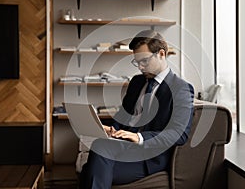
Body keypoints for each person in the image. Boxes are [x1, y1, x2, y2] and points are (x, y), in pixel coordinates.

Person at [79, 30, 194, 189]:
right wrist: (112, 130)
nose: (140, 67)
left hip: (148, 157)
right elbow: (122, 117)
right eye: (136, 62)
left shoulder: (181, 88)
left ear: (161, 54)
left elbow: (179, 133)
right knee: (97, 157)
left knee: (94, 162)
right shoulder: (137, 82)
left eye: (144, 61)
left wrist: (139, 137)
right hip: (123, 146)